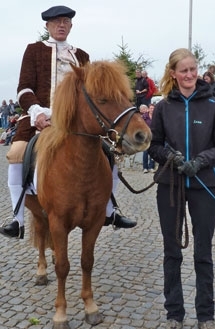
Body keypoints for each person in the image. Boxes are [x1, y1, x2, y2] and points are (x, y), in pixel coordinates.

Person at [1, 5, 136, 239]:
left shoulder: (82, 56)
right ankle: (18, 218)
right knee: (16, 153)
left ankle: (110, 210)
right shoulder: (34, 50)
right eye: (56, 22)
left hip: (76, 123)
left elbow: (91, 92)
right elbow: (24, 88)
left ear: (71, 25)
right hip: (40, 118)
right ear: (48, 26)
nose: (61, 25)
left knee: (108, 155)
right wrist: (37, 112)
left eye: (65, 21)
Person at [147, 48, 215, 329]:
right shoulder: (162, 108)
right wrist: (169, 155)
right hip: (170, 186)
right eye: (183, 70)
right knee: (172, 252)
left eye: (193, 69)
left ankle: (206, 316)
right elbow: (152, 145)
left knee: (203, 252)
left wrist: (200, 160)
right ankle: (174, 313)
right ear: (173, 73)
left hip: (204, 184)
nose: (189, 75)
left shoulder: (212, 105)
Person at [139, 104, 155, 173]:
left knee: (153, 152)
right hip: (146, 137)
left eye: (153, 108)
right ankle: (145, 167)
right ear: (148, 109)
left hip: (154, 137)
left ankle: (151, 167)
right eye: (151, 108)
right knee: (145, 152)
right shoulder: (144, 117)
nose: (152, 110)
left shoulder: (156, 116)